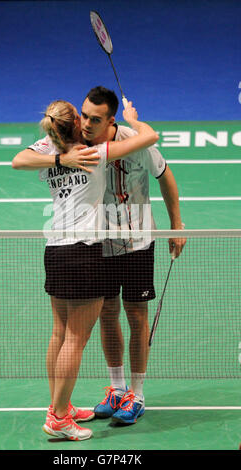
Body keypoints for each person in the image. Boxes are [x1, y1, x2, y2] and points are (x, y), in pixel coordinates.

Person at [12, 97, 159, 440]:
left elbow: (18, 160)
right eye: (79, 116)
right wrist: (132, 119)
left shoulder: (51, 149)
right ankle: (60, 417)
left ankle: (57, 405)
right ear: (75, 122)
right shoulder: (94, 153)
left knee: (59, 334)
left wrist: (59, 158)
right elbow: (150, 137)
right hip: (84, 252)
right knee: (75, 340)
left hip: (54, 250)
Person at [79, 86, 186, 425]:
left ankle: (136, 394)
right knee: (107, 313)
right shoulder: (79, 143)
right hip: (100, 241)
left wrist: (176, 224)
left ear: (111, 120)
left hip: (138, 240)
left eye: (95, 119)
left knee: (137, 316)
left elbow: (165, 176)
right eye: (84, 115)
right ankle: (116, 387)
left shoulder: (136, 141)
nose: (86, 124)